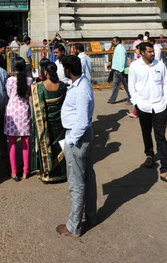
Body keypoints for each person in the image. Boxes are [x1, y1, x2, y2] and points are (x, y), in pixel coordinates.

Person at [128, 42, 167, 186]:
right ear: (142, 52)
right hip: (143, 106)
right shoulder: (134, 66)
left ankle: (165, 169)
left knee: (161, 137)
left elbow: (166, 84)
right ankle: (149, 154)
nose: (153, 53)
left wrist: (166, 101)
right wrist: (136, 102)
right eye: (150, 51)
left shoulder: (160, 65)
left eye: (153, 51)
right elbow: (131, 86)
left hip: (159, 106)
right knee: (146, 132)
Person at [56, 55, 97, 237]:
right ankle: (91, 215)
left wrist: (71, 140)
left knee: (76, 182)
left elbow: (81, 121)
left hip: (77, 136)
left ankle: (74, 226)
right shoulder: (81, 83)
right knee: (87, 177)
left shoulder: (80, 90)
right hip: (80, 135)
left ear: (67, 70)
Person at [31, 61, 67, 182]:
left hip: (45, 124)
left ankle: (48, 174)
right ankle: (62, 173)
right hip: (60, 123)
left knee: (47, 146)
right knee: (60, 146)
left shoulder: (39, 87)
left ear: (45, 72)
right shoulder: (62, 86)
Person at [4, 57, 33, 181]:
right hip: (24, 111)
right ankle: (26, 171)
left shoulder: (10, 80)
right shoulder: (29, 80)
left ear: (14, 67)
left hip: (12, 111)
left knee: (12, 143)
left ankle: (14, 171)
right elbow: (29, 94)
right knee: (26, 143)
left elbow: (9, 94)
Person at [108, 37, 130, 104]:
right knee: (115, 85)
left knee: (126, 86)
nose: (113, 42)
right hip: (116, 70)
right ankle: (112, 99)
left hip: (120, 70)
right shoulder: (118, 48)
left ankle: (131, 99)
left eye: (114, 41)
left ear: (118, 41)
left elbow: (122, 59)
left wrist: (121, 69)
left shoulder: (120, 48)